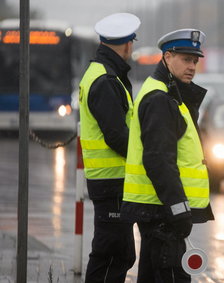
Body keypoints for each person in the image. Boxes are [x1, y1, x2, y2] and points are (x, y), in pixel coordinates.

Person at [121, 28, 214, 282]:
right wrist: (178, 208)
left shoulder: (168, 92)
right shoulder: (160, 98)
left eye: (195, 61)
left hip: (159, 210)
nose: (192, 66)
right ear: (167, 57)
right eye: (185, 59)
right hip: (162, 211)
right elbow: (159, 160)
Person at [78, 12, 140, 283]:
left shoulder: (103, 73)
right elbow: (117, 136)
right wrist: (145, 157)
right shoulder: (105, 80)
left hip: (111, 183)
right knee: (111, 254)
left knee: (122, 254)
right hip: (111, 183)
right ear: (127, 44)